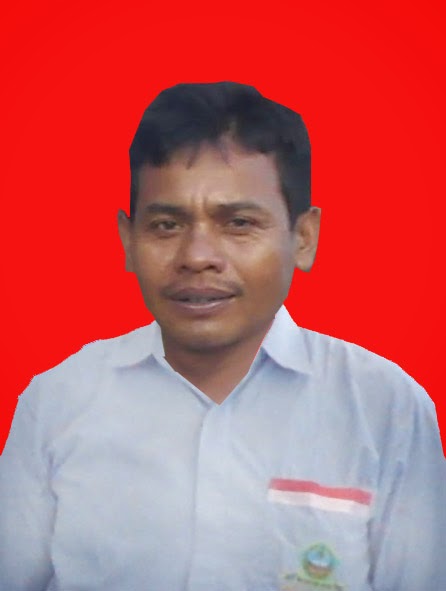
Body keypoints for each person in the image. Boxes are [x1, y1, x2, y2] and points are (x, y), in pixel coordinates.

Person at [0, 82, 445, 591]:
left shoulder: (386, 409)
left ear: (303, 238)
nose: (197, 256)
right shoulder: (58, 402)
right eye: (166, 225)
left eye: (238, 223)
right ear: (128, 241)